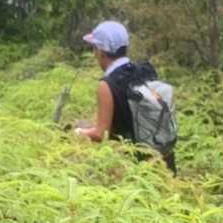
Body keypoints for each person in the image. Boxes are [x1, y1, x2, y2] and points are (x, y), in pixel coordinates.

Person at [74, 20, 177, 173]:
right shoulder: (145, 69)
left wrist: (77, 132)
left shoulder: (107, 84)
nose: (94, 53)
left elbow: (101, 134)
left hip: (135, 167)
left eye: (94, 48)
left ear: (101, 51)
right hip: (164, 160)